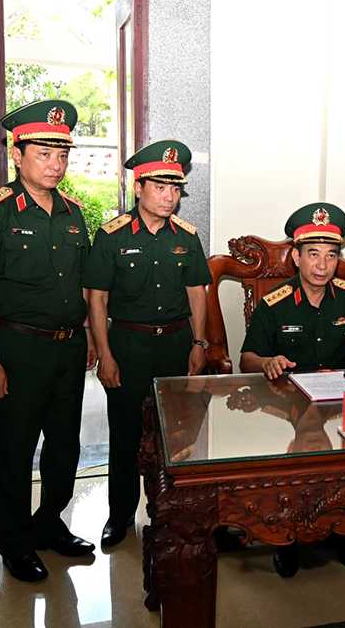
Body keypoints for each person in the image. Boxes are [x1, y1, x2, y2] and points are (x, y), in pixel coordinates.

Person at [0, 100, 97, 584]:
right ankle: (14, 541)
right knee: (14, 451)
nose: (55, 165)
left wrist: (87, 334)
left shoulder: (73, 212)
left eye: (62, 155)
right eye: (44, 153)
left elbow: (82, 283)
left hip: (67, 347)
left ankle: (49, 523)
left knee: (65, 446)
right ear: (17, 154)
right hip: (16, 348)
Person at [240, 202, 345, 577]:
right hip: (286, 401)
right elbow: (246, 359)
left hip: (337, 401)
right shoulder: (274, 303)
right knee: (289, 473)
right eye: (313, 254)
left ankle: (344, 530)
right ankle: (285, 537)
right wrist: (267, 363)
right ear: (296, 257)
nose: (322, 265)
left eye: (331, 255)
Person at [84, 139, 211, 548]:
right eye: (160, 187)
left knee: (179, 434)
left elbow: (197, 293)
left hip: (175, 344)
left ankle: (173, 513)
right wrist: (105, 354)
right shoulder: (111, 236)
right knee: (125, 435)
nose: (169, 197)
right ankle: (119, 514)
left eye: (175, 189)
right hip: (128, 345)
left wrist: (199, 343)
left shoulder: (187, 237)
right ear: (138, 188)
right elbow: (97, 299)